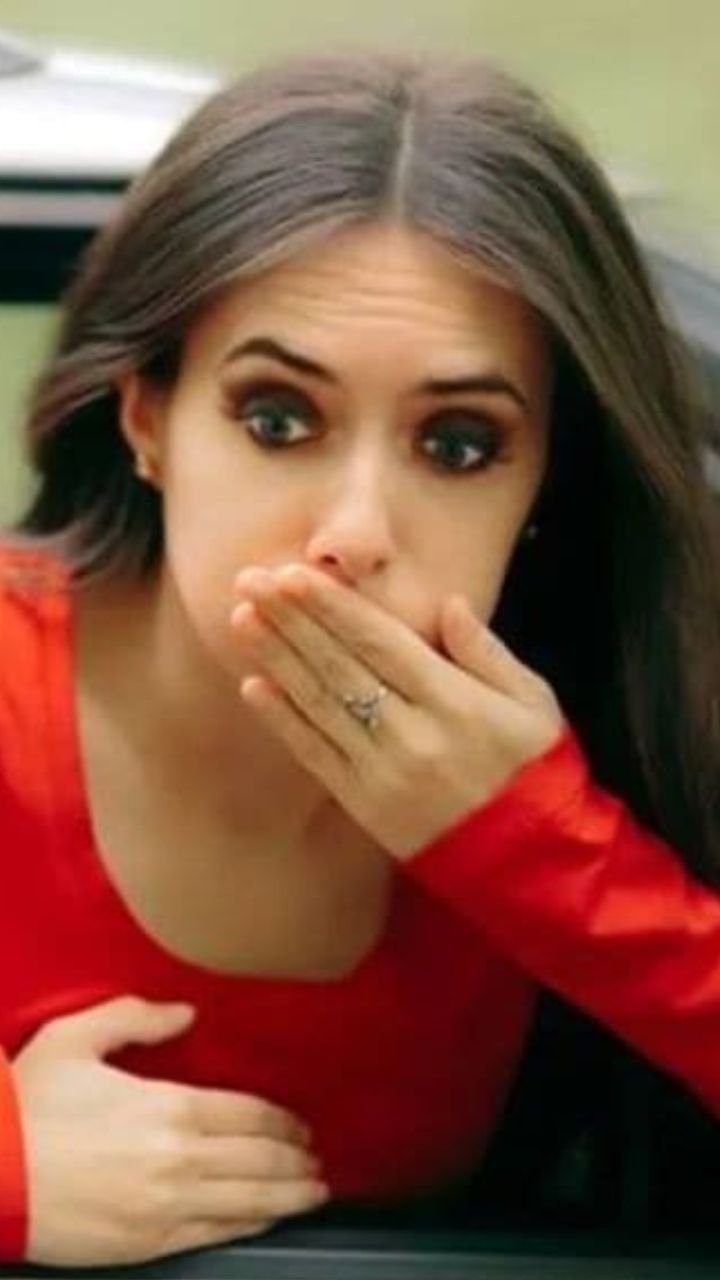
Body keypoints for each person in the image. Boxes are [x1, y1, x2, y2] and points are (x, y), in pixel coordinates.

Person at [1, 48, 720, 1270]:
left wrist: (542, 852)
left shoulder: (624, 735)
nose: (354, 531)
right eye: (278, 419)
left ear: (544, 484)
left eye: (458, 443)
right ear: (146, 417)